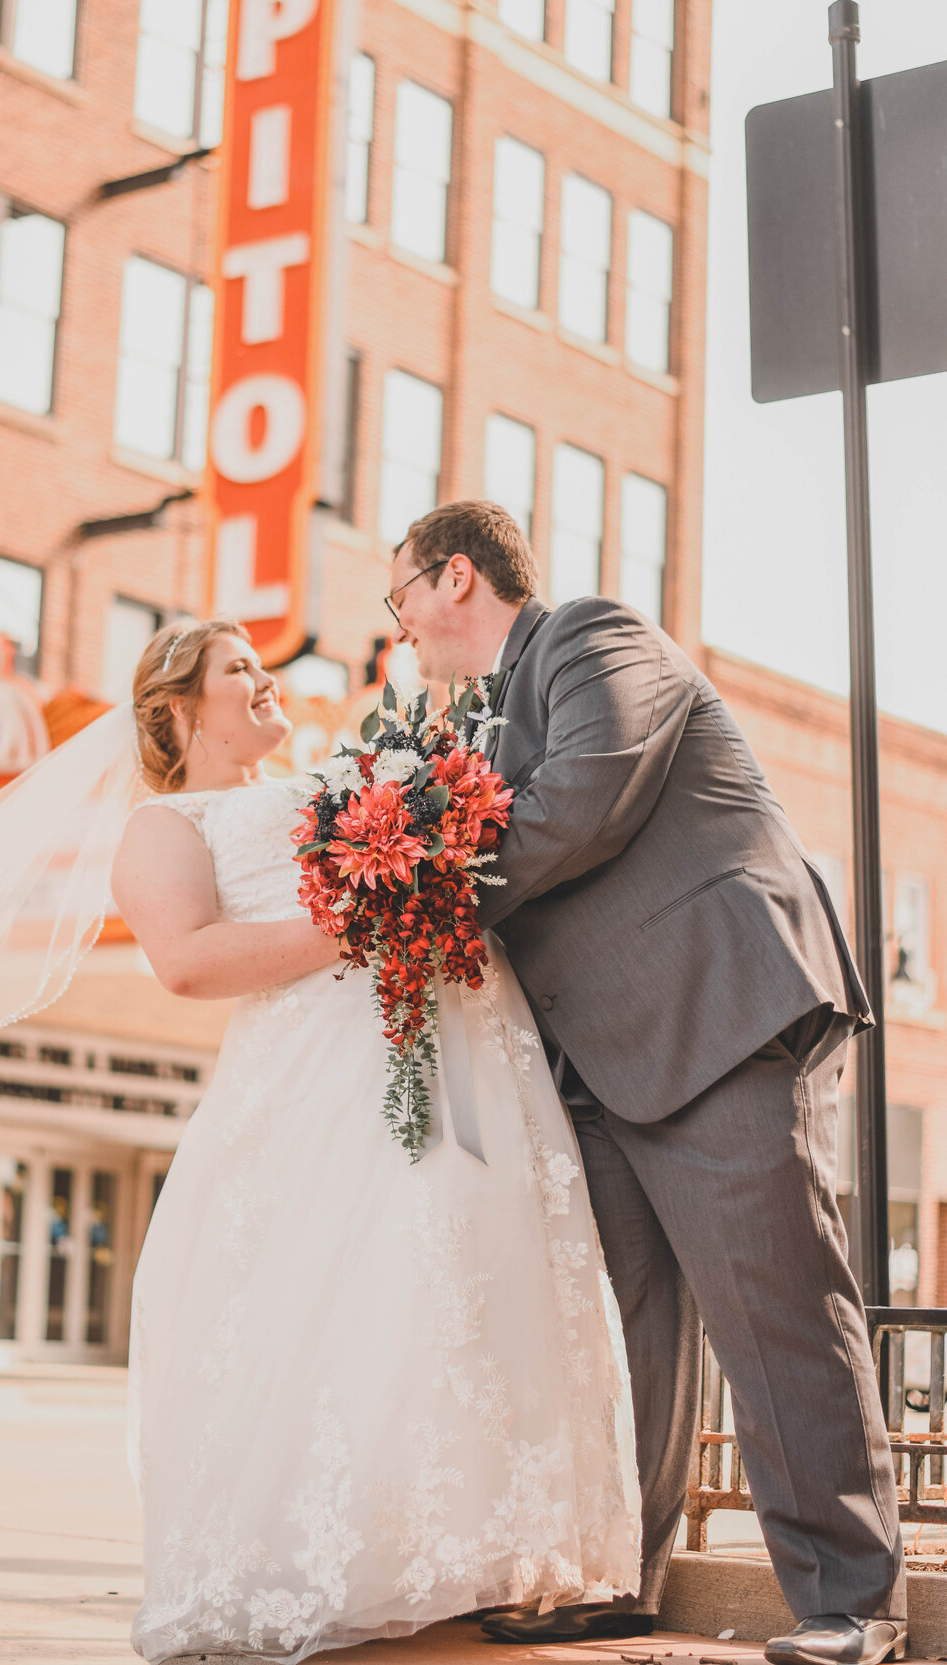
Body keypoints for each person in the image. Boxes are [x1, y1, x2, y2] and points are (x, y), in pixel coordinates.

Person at [388, 501, 906, 1665]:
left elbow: (589, 791)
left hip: (714, 1014)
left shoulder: (591, 637)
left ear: (454, 575)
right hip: (601, 1062)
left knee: (777, 1313)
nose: (404, 626)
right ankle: (623, 1573)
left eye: (403, 597)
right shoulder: (474, 725)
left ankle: (850, 1602)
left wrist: (422, 893)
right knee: (625, 1338)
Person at [110, 617, 640, 1662]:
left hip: (443, 1056)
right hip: (315, 1081)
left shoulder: (338, 775)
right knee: (348, 1288)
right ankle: (336, 1551)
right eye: (239, 669)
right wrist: (366, 921)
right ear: (178, 708)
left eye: (263, 665)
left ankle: (459, 1547)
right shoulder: (164, 824)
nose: (264, 680)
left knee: (460, 1274)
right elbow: (186, 960)